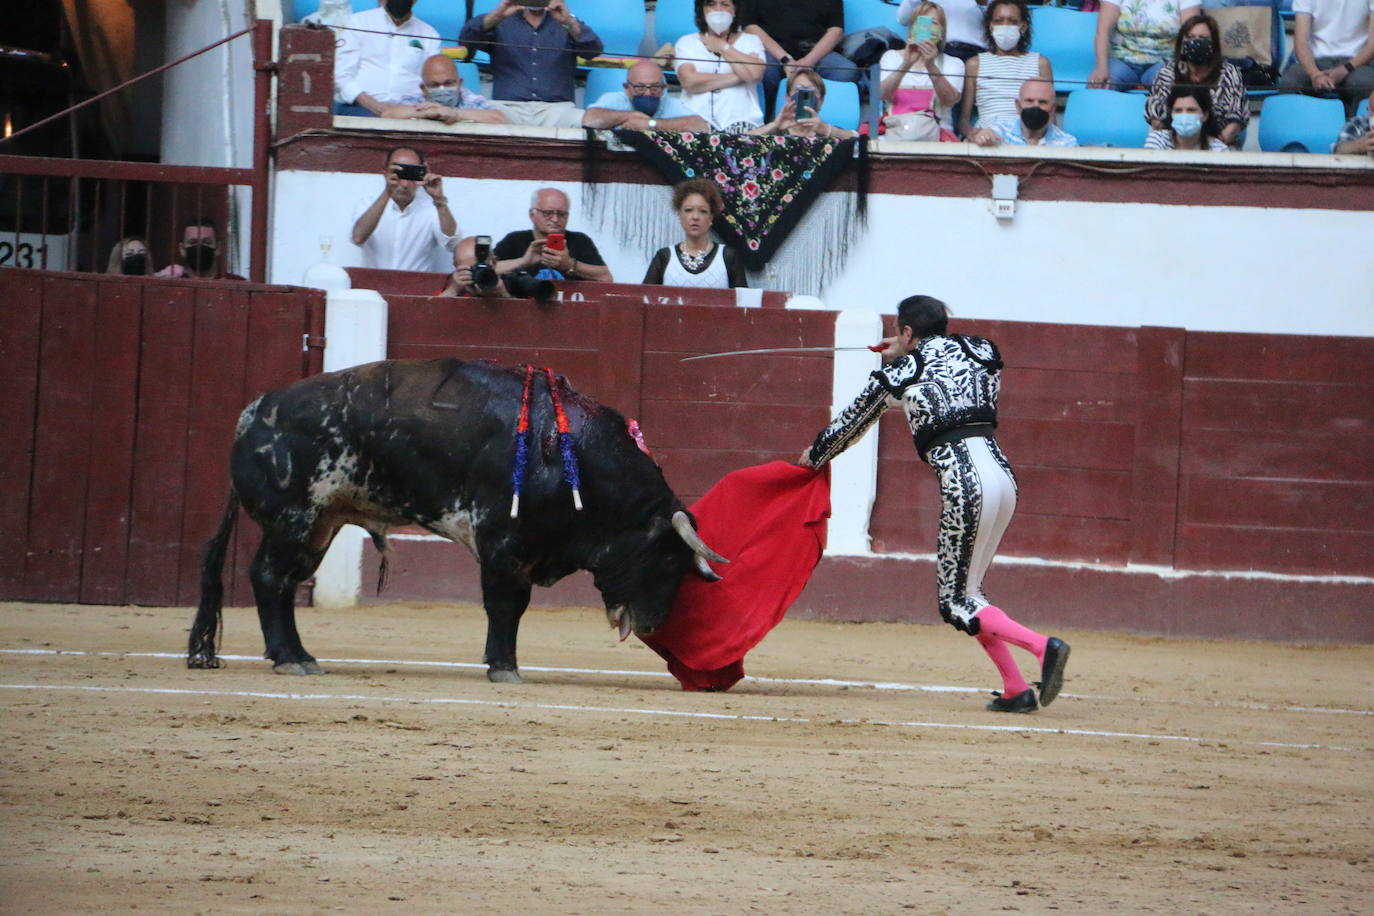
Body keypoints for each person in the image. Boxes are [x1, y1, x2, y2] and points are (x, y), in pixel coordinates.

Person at [797, 295, 1071, 714]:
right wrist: (908, 348)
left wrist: (814, 456)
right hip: (1002, 478)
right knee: (971, 593)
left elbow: (850, 424)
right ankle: (1015, 689)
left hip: (965, 485)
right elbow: (943, 363)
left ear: (907, 332)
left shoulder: (901, 372)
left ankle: (1041, 647)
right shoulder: (983, 349)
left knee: (956, 603)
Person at [460, 0, 603, 127]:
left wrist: (569, 22)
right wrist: (497, 15)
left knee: (588, 124)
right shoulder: (501, 21)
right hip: (507, 107)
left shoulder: (567, 22)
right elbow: (466, 40)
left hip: (557, 109)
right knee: (477, 123)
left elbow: (593, 51)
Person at [742, 0, 858, 119]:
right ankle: (768, 123)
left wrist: (809, 61)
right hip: (773, 51)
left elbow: (836, 30)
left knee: (845, 71)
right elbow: (750, 26)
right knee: (765, 71)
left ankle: (828, 125)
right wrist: (785, 59)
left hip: (816, 51)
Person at [1145, 14, 1249, 146]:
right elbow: (1156, 117)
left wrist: (1212, 147)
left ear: (1213, 43)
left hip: (1219, 146)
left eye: (1202, 38)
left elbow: (1236, 120)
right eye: (1190, 37)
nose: (1196, 42)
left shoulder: (1230, 73)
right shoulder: (1167, 72)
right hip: (1173, 146)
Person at [350, 146, 459, 272]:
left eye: (410, 173)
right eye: (399, 173)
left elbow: (453, 243)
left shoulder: (431, 209)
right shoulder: (367, 204)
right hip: (374, 286)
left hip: (417, 287)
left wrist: (439, 200)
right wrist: (388, 191)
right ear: (385, 173)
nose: (405, 184)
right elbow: (358, 238)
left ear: (422, 174)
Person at [959, 0, 1053, 136]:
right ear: (990, 26)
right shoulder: (975, 64)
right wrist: (976, 136)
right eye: (999, 21)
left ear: (1023, 27)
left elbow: (1050, 115)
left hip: (1028, 137)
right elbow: (964, 122)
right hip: (988, 138)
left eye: (1013, 21)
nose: (1005, 26)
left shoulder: (1040, 63)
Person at [333, 0, 442, 117]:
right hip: (360, 108)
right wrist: (375, 106)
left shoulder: (429, 34)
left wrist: (404, 111)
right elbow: (341, 75)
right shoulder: (359, 22)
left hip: (412, 112)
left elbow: (434, 84)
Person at [674, 0, 767, 132]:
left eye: (725, 4)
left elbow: (756, 75)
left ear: (734, 11)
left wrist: (724, 48)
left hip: (743, 121)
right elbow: (690, 82)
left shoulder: (751, 41)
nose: (718, 9)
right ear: (702, 10)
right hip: (696, 122)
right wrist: (741, 76)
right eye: (711, 4)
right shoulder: (687, 42)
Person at [879, 1, 966, 141]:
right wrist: (906, 64)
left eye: (934, 23)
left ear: (942, 31)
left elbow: (949, 100)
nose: (927, 28)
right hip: (895, 132)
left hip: (937, 136)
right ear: (912, 27)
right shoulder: (891, 57)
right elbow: (882, 95)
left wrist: (931, 65)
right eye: (922, 22)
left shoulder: (954, 63)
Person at [642, 179, 749, 288]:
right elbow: (643, 299)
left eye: (702, 211)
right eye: (688, 210)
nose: (695, 217)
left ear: (711, 217)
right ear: (679, 215)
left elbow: (743, 301)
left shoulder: (728, 257)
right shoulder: (664, 257)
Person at [493, 188, 614, 282]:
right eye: (548, 213)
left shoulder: (580, 241)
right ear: (532, 215)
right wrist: (523, 261)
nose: (555, 219)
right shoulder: (514, 240)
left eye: (561, 214)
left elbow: (606, 278)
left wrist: (569, 265)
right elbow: (486, 271)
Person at [1278, 0, 1374, 111]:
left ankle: (1357, 126)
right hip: (1316, 61)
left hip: (1356, 62)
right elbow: (1301, 42)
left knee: (1364, 84)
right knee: (1289, 83)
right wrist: (1314, 74)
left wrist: (1346, 68)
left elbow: (1372, 45)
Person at [1088, 0, 1201, 92]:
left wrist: (1189, 68)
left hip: (1164, 61)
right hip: (1121, 58)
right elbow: (1103, 31)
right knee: (1100, 86)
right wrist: (1101, 68)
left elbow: (1191, 33)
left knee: (1173, 88)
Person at [583, 60, 710, 131]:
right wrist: (632, 115)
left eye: (655, 87)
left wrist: (651, 124)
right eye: (640, 87)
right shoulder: (615, 99)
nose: (648, 93)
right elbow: (589, 120)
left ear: (663, 88)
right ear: (627, 88)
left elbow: (702, 126)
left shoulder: (672, 104)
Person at [385, 54, 508, 125]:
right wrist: (428, 113)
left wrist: (454, 113)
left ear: (459, 83)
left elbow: (498, 118)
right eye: (434, 85)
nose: (442, 89)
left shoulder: (470, 99)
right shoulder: (414, 100)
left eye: (448, 83)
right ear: (424, 88)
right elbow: (388, 115)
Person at [750, 68, 857, 139]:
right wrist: (774, 126)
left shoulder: (827, 132)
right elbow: (738, 142)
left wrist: (825, 129)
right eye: (798, 91)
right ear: (787, 98)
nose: (803, 96)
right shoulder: (774, 132)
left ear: (821, 101)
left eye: (811, 92)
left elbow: (860, 142)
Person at [968, 76, 1078, 146]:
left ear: (1053, 109)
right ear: (1018, 106)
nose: (1036, 106)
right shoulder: (998, 133)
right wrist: (981, 138)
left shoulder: (1067, 143)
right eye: (1029, 101)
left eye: (1042, 102)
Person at [1144, 84, 1231, 150]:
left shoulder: (1219, 150)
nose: (1184, 115)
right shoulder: (1158, 140)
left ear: (1205, 115)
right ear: (1171, 114)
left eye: (1191, 110)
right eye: (1178, 110)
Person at [899, 0, 988, 62]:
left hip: (976, 54)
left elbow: (998, 21)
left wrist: (983, 4)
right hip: (936, 50)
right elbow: (903, 19)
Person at [155, 219, 245, 280]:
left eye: (207, 242)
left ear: (218, 248)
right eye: (193, 242)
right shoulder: (170, 284)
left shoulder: (236, 284)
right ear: (182, 249)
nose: (199, 247)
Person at [437, 236, 510, 297]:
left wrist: (503, 295)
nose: (477, 274)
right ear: (456, 268)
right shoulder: (457, 291)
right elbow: (432, 311)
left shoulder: (506, 284)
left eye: (482, 268)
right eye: (470, 270)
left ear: (494, 263)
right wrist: (453, 291)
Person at [1332, 87, 1374, 151]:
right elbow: (1337, 150)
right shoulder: (1358, 123)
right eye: (1373, 110)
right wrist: (1359, 145)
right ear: (1368, 108)